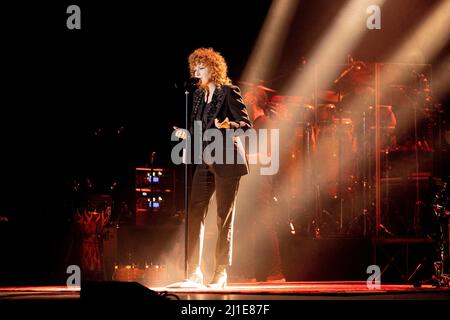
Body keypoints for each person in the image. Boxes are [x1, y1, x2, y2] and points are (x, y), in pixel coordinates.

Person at [174, 48, 252, 288]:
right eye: (194, 67)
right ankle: (194, 272)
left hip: (227, 159)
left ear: (214, 68)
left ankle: (220, 272)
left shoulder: (229, 92)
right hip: (205, 159)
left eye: (202, 67)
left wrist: (229, 125)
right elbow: (199, 129)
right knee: (194, 213)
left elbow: (246, 125)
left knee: (223, 216)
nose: (197, 71)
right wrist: (185, 134)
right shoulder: (197, 96)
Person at [234, 87, 285, 282]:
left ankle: (275, 272)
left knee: (264, 226)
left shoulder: (265, 125)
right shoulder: (255, 125)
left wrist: (242, 157)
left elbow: (267, 157)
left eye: (246, 98)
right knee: (249, 227)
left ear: (254, 100)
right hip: (253, 184)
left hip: (261, 185)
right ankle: (251, 274)